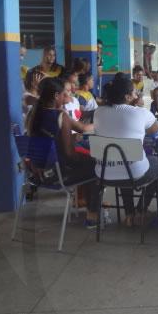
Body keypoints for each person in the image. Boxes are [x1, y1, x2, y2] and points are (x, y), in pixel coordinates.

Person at [93, 75, 158, 227]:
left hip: (103, 173)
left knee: (120, 160)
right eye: (134, 93)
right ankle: (140, 211)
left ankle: (129, 214)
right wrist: (138, 107)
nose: (137, 95)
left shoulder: (98, 112)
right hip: (135, 173)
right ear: (127, 97)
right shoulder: (140, 112)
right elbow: (155, 131)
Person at [26, 78, 99, 227]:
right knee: (96, 165)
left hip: (37, 174)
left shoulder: (32, 115)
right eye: (64, 93)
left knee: (87, 161)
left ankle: (85, 201)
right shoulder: (60, 116)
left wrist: (71, 138)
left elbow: (48, 141)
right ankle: (92, 213)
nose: (67, 95)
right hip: (57, 175)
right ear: (56, 96)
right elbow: (69, 154)